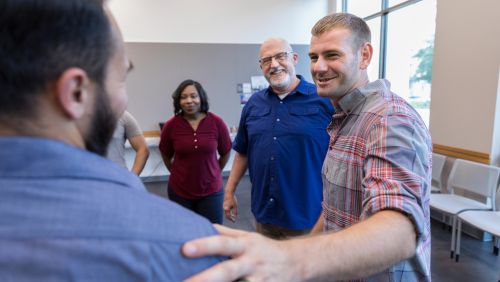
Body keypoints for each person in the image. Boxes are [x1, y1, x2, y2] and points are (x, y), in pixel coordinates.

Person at [182, 13, 432, 282]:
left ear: (365, 56)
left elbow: (400, 232)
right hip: (299, 236)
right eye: (315, 57)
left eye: (332, 55)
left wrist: (292, 258)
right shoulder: (344, 118)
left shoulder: (389, 119)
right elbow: (337, 205)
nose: (320, 68)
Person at [0, 0, 225, 280]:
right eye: (121, 78)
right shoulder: (187, 246)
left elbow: (223, 152)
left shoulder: (216, 123)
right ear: (76, 93)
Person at [224, 37, 334, 239]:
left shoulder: (323, 100)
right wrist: (229, 192)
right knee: (269, 269)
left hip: (309, 217)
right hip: (265, 216)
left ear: (294, 58)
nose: (274, 64)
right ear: (261, 66)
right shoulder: (253, 104)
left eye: (280, 57)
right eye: (266, 60)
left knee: (307, 271)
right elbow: (242, 152)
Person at [159, 79, 232, 224]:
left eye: (193, 96)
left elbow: (225, 152)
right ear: (178, 101)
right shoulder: (171, 125)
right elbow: (166, 154)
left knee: (213, 233)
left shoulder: (217, 122)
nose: (189, 101)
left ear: (201, 98)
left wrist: (215, 171)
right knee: (186, 235)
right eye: (183, 97)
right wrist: (176, 172)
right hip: (179, 191)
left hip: (211, 191)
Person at [107, 110, 150, 175]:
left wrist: (132, 178)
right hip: (88, 178)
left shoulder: (122, 115)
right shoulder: (86, 116)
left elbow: (143, 149)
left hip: (117, 178)